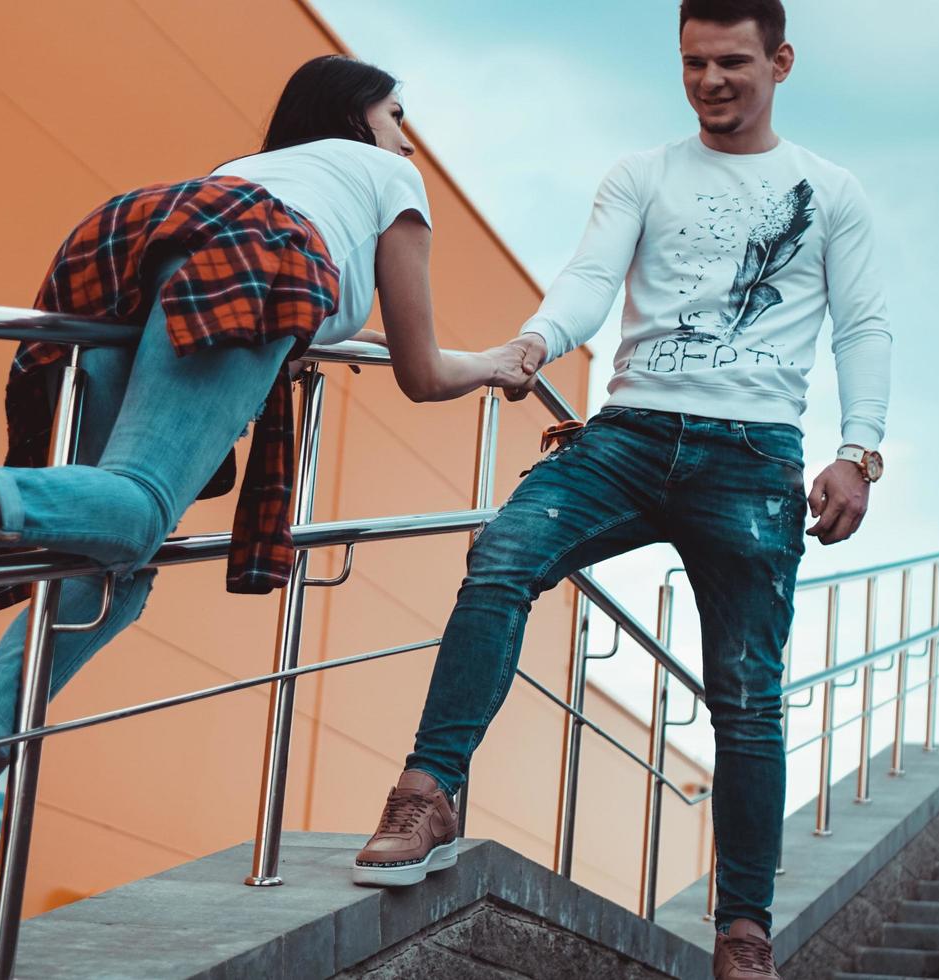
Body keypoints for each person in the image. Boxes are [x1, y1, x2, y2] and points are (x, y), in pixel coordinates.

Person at [0, 55, 535, 962]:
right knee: (141, 509)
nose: (406, 132)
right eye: (396, 111)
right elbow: (421, 371)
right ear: (355, 117)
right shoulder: (387, 178)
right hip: (246, 255)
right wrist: (495, 362)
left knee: (114, 565)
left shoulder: (249, 168)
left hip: (125, 235)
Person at [350, 3, 892, 978]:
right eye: (693, 62)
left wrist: (858, 450)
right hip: (629, 436)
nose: (710, 80)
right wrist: (532, 344)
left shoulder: (831, 191)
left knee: (744, 696)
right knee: (501, 555)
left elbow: (861, 328)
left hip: (753, 457)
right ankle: (427, 791)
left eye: (731, 62)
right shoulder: (640, 172)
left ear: (780, 60)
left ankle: (740, 931)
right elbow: (588, 280)